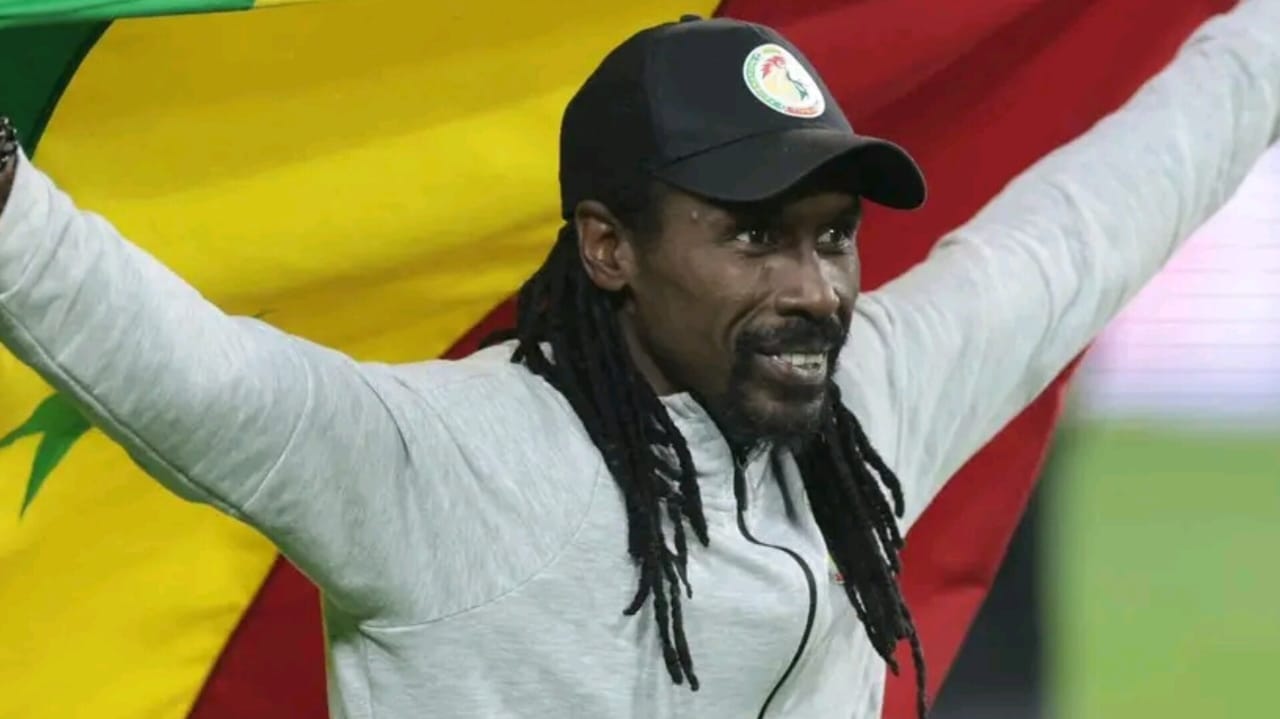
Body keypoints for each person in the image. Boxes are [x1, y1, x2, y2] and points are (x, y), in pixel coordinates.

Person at [0, 3, 1276, 717]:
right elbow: (179, 363)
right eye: (752, 236)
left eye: (832, 235)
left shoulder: (869, 399)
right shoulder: (440, 463)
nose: (813, 287)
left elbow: (1089, 220)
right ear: (609, 246)